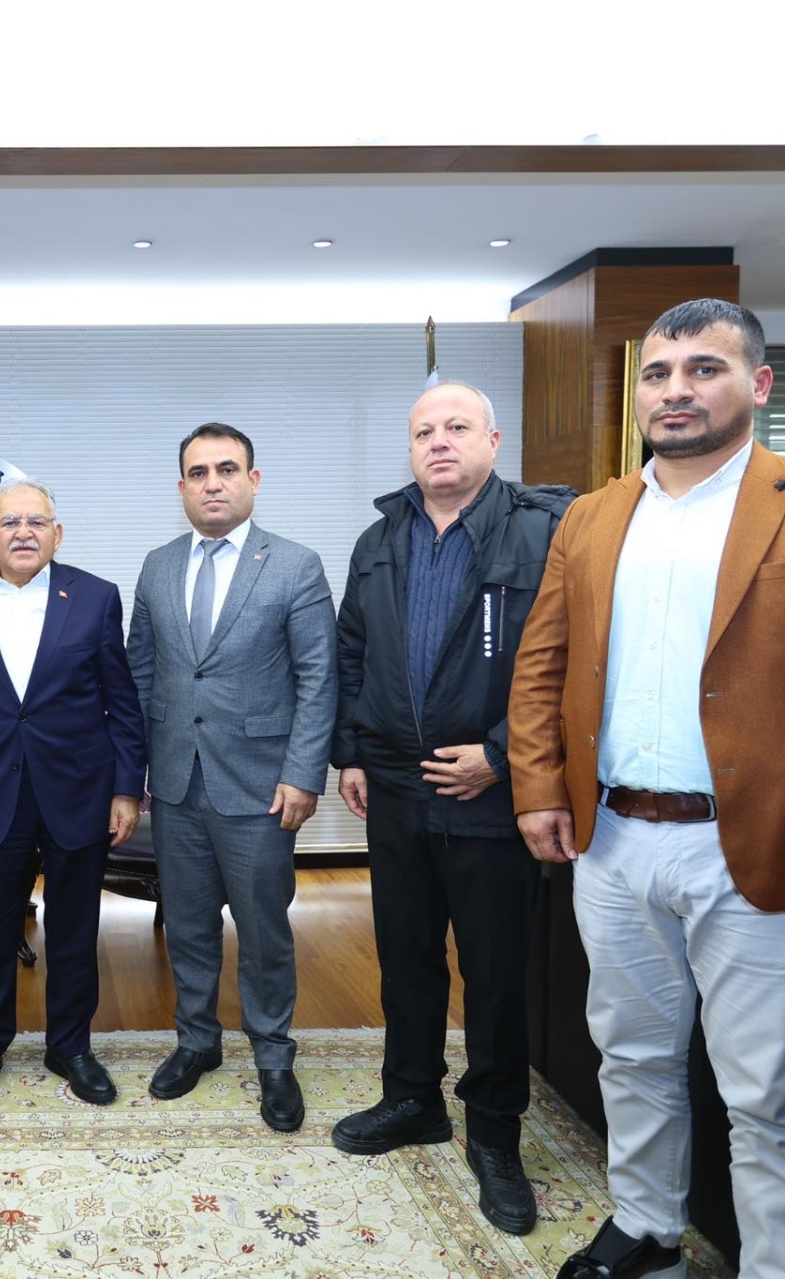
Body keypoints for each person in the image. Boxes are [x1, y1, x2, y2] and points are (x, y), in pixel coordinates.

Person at [508, 299, 785, 1279]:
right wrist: (538, 785)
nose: (677, 390)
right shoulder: (592, 515)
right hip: (613, 842)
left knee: (770, 1094)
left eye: (705, 368)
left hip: (763, 851)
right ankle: (646, 1229)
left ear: (759, 383)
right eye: (659, 373)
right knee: (631, 1055)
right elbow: (544, 663)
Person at [328, 382, 572, 1233]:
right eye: (424, 430)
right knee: (406, 958)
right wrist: (351, 751)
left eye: (456, 427)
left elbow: (569, 658)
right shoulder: (378, 539)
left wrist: (501, 755)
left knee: (496, 974)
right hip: (396, 789)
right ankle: (413, 1099)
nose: (439, 441)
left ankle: (495, 1133)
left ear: (492, 441)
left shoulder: (542, 532)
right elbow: (352, 650)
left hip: (491, 796)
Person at [127, 422, 335, 1132]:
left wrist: (304, 774)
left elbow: (319, 677)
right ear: (181, 487)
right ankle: (197, 1041)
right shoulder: (157, 565)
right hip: (175, 784)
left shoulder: (295, 565)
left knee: (263, 929)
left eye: (226, 469)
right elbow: (140, 673)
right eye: (198, 472)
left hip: (261, 786)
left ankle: (273, 1055)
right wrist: (135, 772)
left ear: (253, 479)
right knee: (187, 926)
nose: (212, 483)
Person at [0, 480, 147, 1114]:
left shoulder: (96, 597)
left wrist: (127, 788)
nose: (24, 532)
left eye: (37, 521)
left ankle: (70, 1046)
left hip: (79, 790)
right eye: (10, 522)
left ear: (57, 534)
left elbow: (122, 702)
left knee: (75, 926)